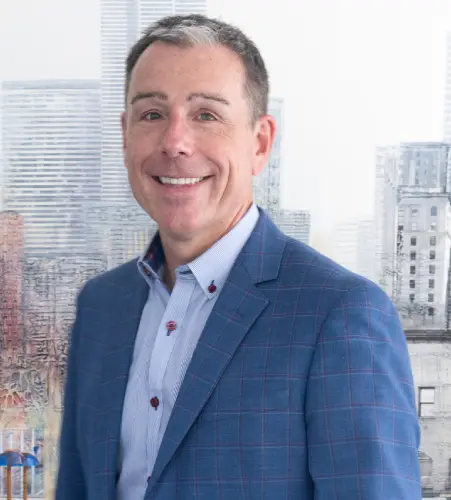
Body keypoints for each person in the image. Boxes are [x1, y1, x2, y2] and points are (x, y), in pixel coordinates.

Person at [56, 14, 421, 500]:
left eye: (206, 114)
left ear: (260, 142)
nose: (175, 142)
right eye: (152, 114)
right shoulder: (100, 306)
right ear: (125, 136)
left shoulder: (341, 314)